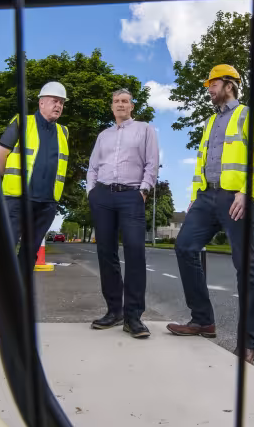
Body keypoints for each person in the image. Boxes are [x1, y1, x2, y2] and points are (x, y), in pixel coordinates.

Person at [166, 64, 254, 363]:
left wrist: (247, 192)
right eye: (208, 84)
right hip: (206, 196)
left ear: (230, 84)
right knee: (185, 246)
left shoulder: (248, 116)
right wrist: (195, 196)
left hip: (237, 198)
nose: (208, 89)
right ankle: (203, 320)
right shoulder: (211, 122)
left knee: (245, 267)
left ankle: (247, 343)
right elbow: (202, 161)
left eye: (213, 83)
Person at [0, 81, 70, 341]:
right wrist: (1, 187)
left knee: (27, 259)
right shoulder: (22, 122)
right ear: (41, 102)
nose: (58, 104)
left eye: (61, 102)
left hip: (46, 205)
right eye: (53, 100)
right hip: (15, 201)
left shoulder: (64, 132)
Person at [87, 88, 159, 339]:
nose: (120, 104)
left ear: (131, 106)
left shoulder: (145, 130)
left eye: (125, 101)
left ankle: (134, 317)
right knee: (106, 253)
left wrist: (144, 190)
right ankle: (114, 311)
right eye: (116, 101)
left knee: (135, 251)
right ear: (112, 106)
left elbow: (152, 162)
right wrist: (91, 192)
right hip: (103, 196)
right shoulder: (103, 136)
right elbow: (93, 167)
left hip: (131, 195)